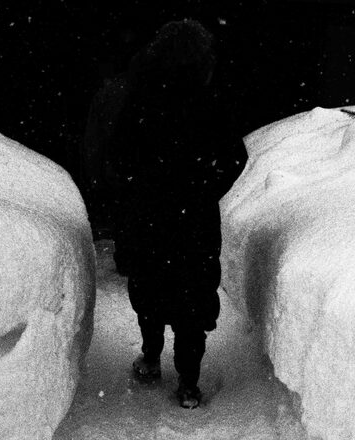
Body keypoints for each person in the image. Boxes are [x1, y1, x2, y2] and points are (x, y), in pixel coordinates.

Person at [102, 19, 245, 408]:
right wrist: (204, 188)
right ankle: (189, 381)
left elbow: (117, 153)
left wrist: (138, 187)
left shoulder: (143, 99)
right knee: (192, 300)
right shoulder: (211, 101)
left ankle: (151, 358)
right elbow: (235, 157)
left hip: (149, 217)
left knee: (150, 289)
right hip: (193, 221)